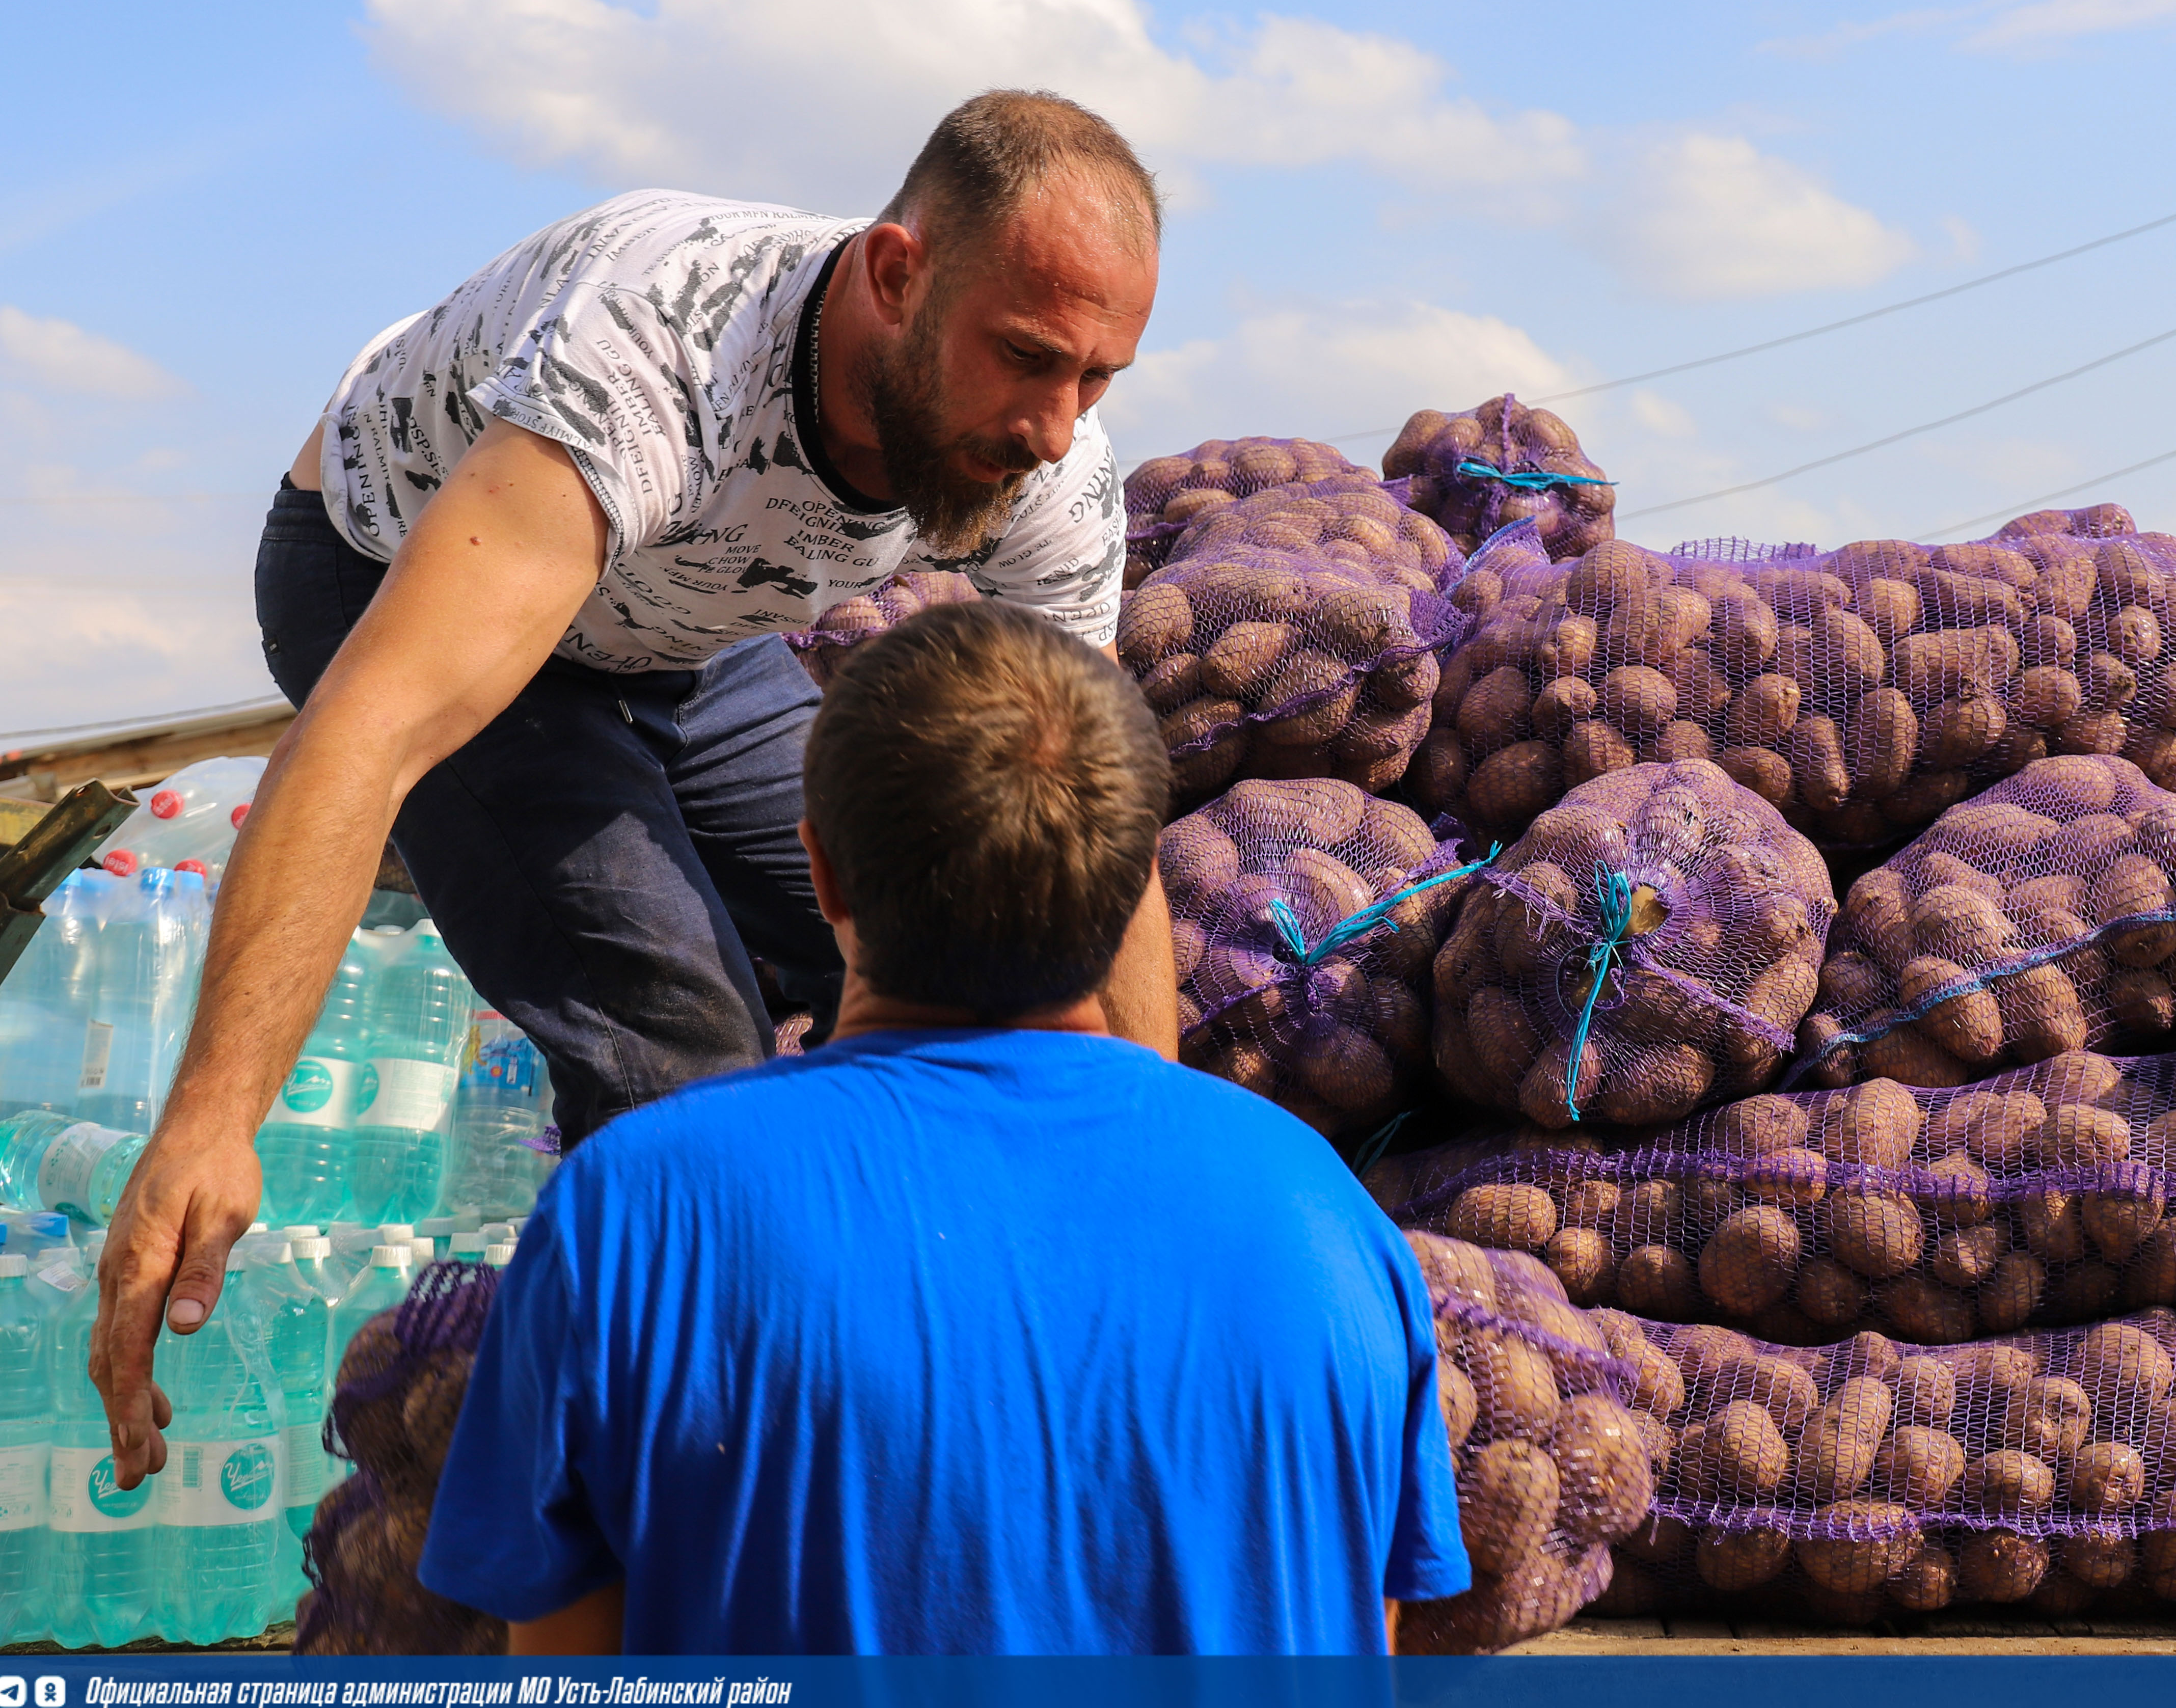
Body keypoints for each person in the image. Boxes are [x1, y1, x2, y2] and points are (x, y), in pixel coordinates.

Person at [92, 91, 1179, 1488]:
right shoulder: (661, 352)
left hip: (682, 635)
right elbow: (365, 731)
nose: (1052, 423)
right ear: (896, 275)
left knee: (952, 910)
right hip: (393, 575)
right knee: (683, 1047)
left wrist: (1152, 1167)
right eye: (1026, 359)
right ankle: (693, 1485)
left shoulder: (1053, 468)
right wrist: (211, 1117)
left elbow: (1093, 830)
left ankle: (925, 1321)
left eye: (1099, 378)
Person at [416, 602, 1470, 1652]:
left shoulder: (635, 1206)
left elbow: (565, 1663)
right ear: (1131, 887)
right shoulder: (1323, 1210)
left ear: (820, 869)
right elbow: (1361, 1639)